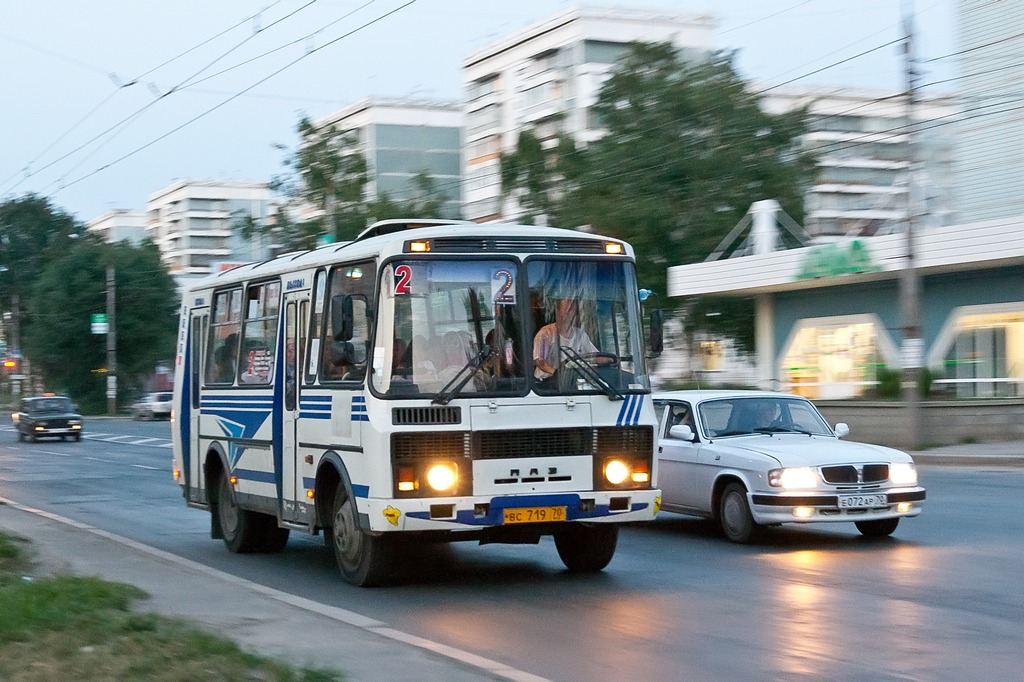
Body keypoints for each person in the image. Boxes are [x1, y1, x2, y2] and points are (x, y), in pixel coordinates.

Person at [533, 298, 606, 381]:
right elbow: (540, 362)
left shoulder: (580, 335)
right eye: (567, 309)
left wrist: (610, 360)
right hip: (546, 383)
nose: (569, 313)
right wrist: (557, 374)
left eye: (572, 309)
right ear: (557, 311)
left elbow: (594, 356)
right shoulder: (544, 335)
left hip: (572, 383)